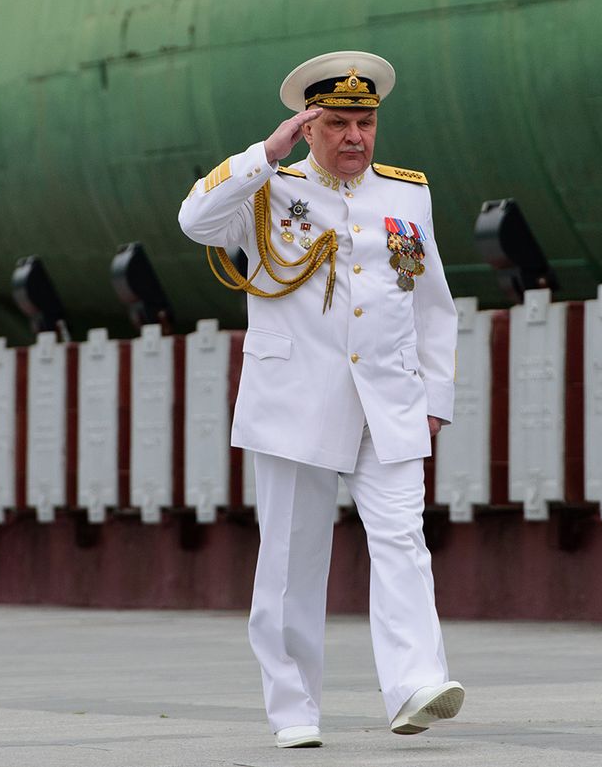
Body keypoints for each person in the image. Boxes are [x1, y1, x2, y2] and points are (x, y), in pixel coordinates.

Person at [177, 50, 463, 748]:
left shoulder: (407, 194)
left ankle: (416, 683)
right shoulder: (267, 191)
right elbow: (193, 219)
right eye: (337, 123)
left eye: (365, 121)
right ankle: (294, 707)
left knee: (403, 540)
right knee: (291, 560)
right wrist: (263, 155)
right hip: (296, 400)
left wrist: (436, 394)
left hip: (388, 397)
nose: (355, 137)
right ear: (308, 128)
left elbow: (432, 304)